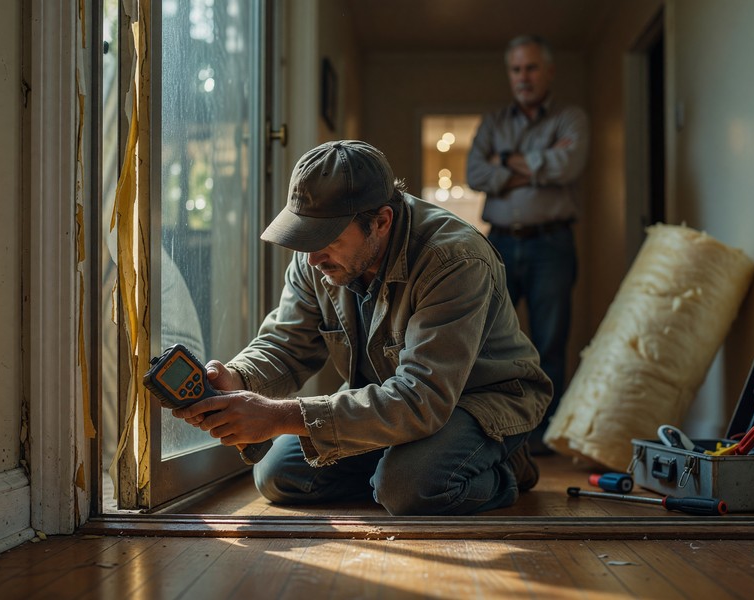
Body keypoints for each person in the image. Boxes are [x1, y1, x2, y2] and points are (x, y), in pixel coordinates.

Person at [172, 140, 552, 516]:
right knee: (278, 475)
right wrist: (237, 379)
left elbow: (423, 398)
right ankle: (399, 461)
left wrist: (277, 416)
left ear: (381, 221)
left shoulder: (454, 259)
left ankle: (501, 466)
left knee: (408, 488)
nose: (312, 258)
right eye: (304, 237)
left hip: (480, 399)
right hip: (393, 401)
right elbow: (286, 345)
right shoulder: (315, 259)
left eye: (327, 240)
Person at [466, 34, 589, 455]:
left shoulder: (570, 118)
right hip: (497, 244)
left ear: (548, 71)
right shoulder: (493, 122)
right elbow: (475, 173)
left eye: (531, 68)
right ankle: (494, 430)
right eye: (517, 69)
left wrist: (505, 161)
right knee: (487, 341)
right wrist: (539, 165)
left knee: (549, 342)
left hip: (551, 244)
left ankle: (541, 438)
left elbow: (568, 164)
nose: (523, 77)